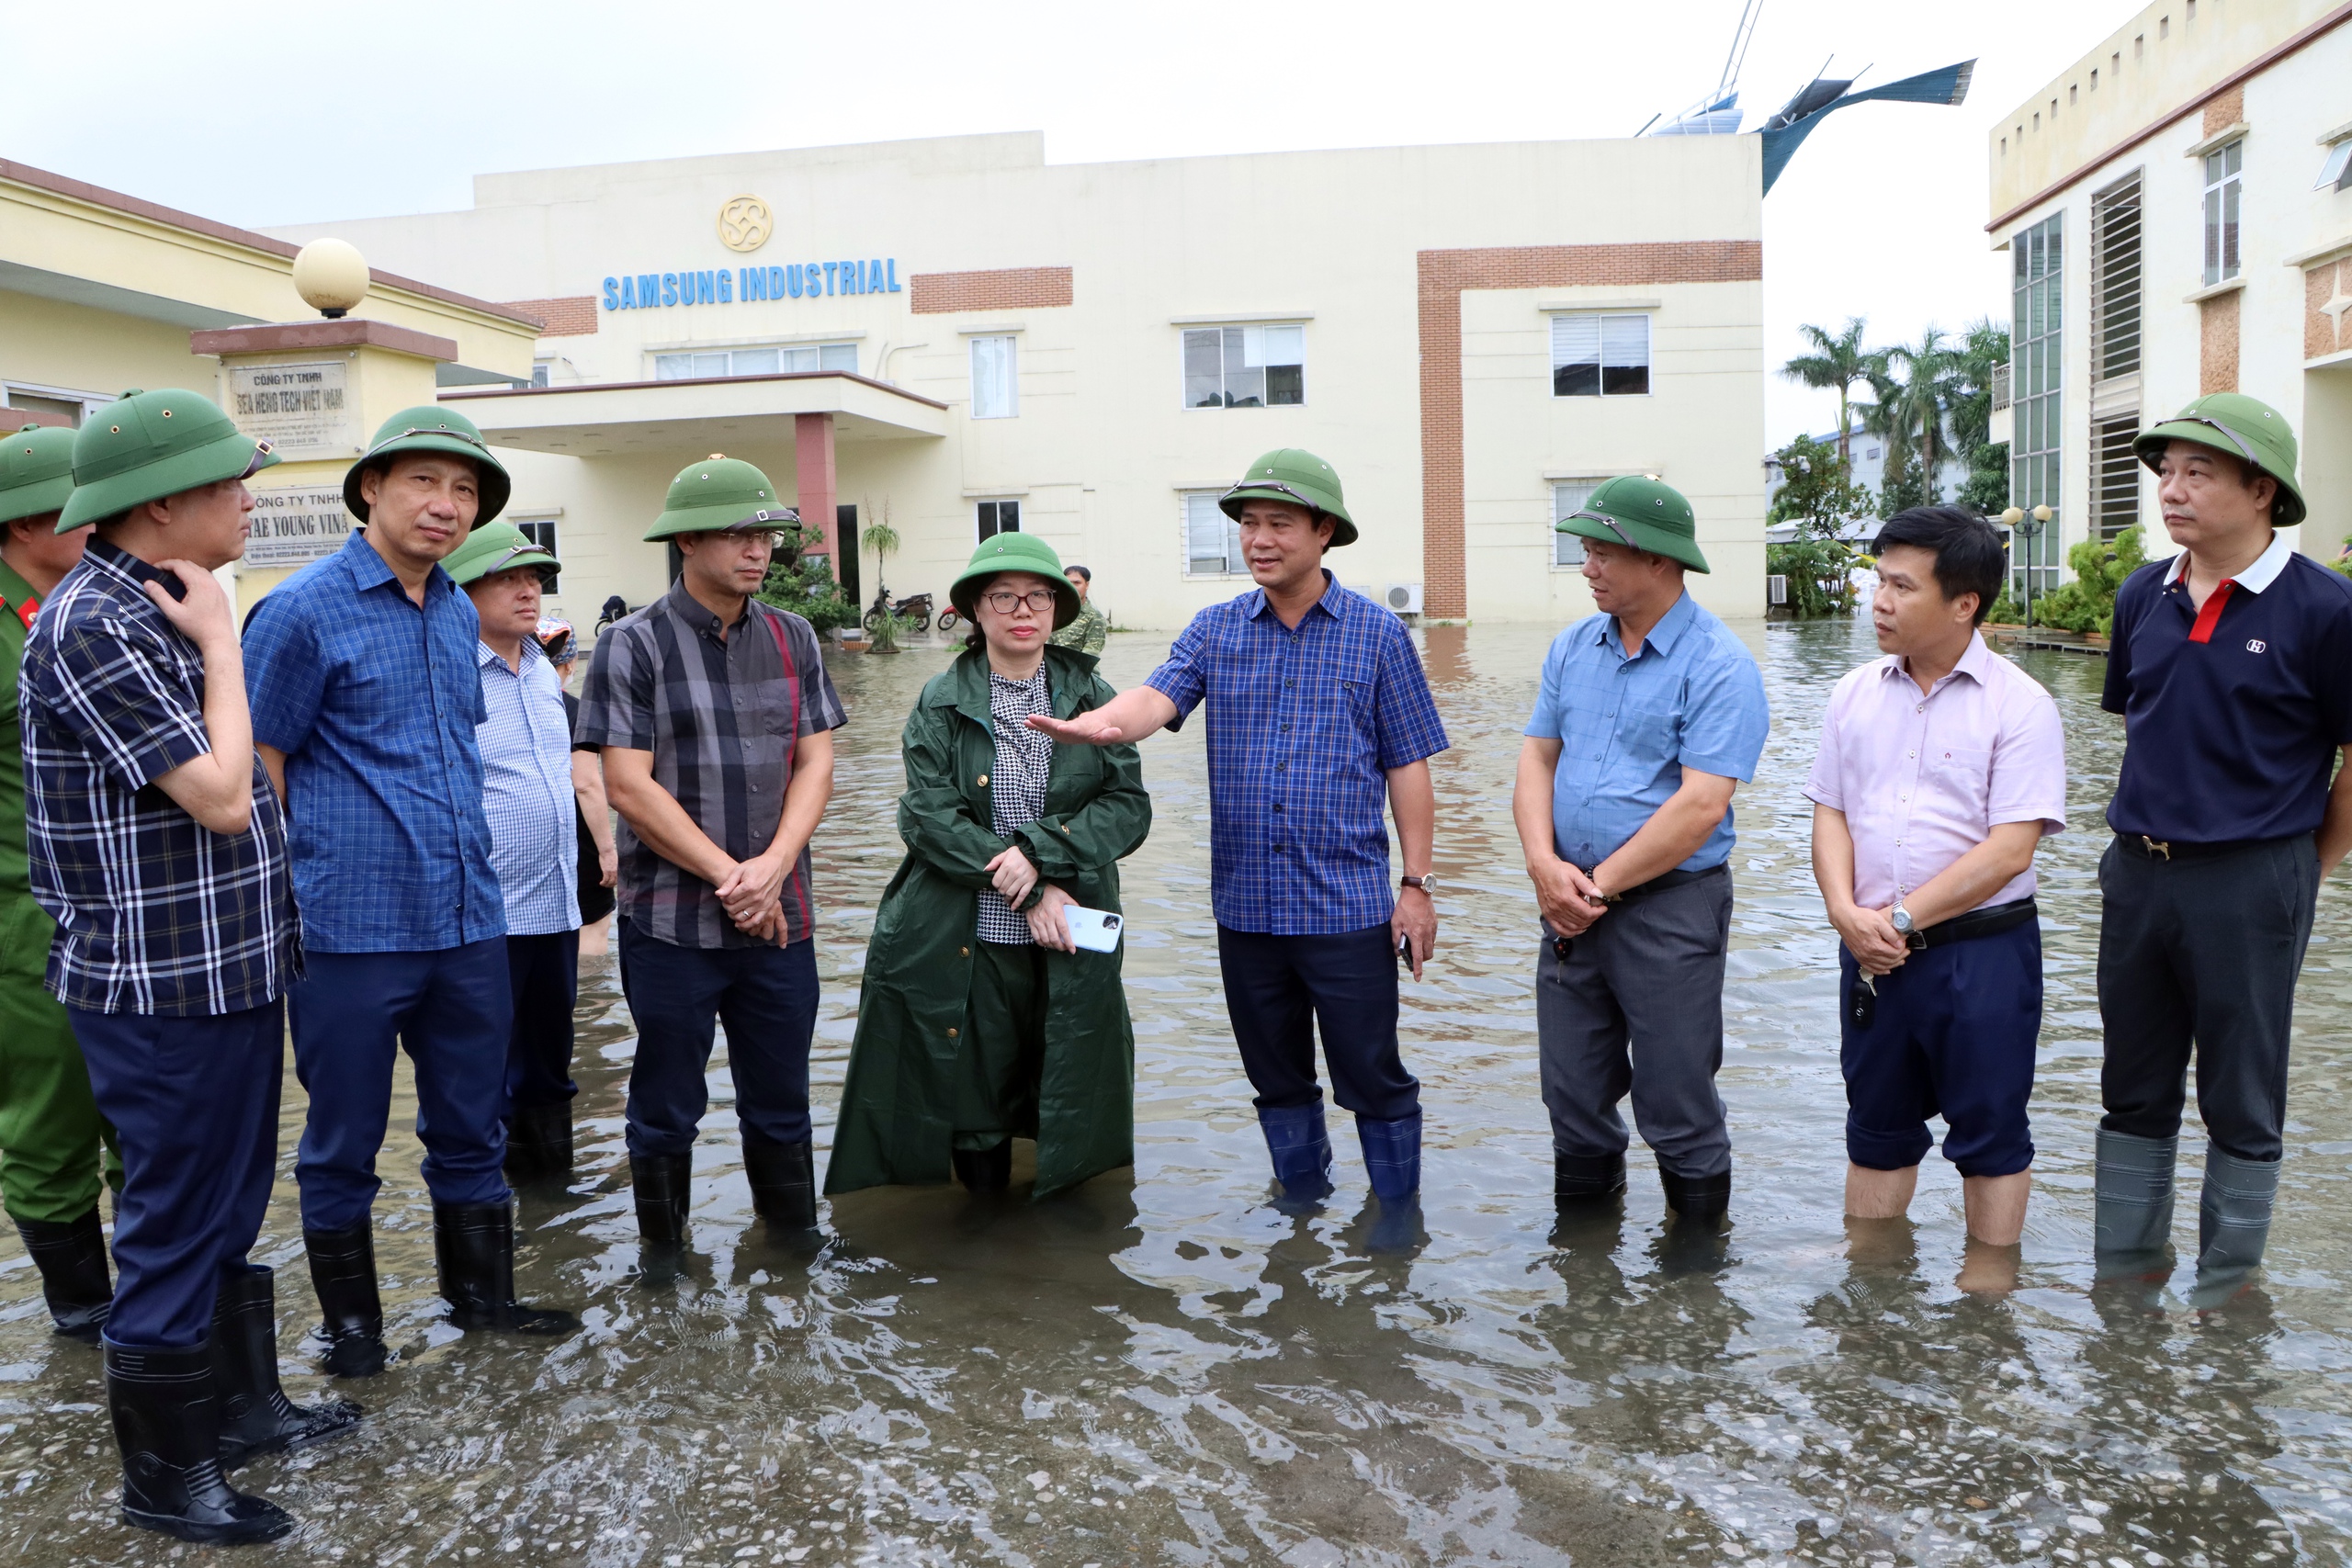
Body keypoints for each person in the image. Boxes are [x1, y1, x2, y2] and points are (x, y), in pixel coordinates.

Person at [22, 389, 356, 1542]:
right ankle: (166, 1479)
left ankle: (240, 1406)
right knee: (171, 1215)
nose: (249, 500)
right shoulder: (94, 623)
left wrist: (208, 630)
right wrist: (223, 638)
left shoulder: (152, 601)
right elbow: (220, 795)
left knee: (229, 1195)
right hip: (159, 981)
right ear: (162, 501)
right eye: (228, 484)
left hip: (229, 965)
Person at [243, 407, 575, 1378]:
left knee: (471, 1124)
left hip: (469, 920)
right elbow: (264, 757)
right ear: (371, 490)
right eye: (424, 482)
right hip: (350, 927)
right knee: (341, 1140)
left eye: (464, 490)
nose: (445, 505)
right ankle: (354, 1336)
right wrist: (290, 887)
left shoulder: (453, 612)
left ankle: (484, 1304)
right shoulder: (301, 610)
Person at [1027, 449, 1446, 1203]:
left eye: (1279, 523)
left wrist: (1414, 886)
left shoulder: (1378, 635)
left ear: (1324, 533)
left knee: (1373, 1075)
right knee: (1276, 1078)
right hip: (1248, 909)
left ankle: (1394, 1222)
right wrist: (1100, 726)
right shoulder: (1217, 630)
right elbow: (1154, 700)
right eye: (1249, 523)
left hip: (1347, 908)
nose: (1259, 539)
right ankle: (1301, 1205)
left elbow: (1408, 767)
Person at [2093, 393, 2352, 1287]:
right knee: (2131, 1087)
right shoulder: (2143, 595)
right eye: (2165, 472)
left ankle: (2225, 1296)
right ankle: (2123, 1282)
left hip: (2252, 879)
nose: (2171, 489)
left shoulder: (2325, 609)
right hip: (2138, 872)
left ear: (2260, 489)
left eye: (2197, 472)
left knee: (2241, 1097)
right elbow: (2145, 726)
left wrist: (2296, 869)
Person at [576, 456, 844, 1264]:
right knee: (664, 1107)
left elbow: (816, 762)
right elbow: (627, 783)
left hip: (779, 921)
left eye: (763, 532)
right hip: (669, 923)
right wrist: (736, 877)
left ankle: (792, 1256)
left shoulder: (793, 635)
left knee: (782, 1104)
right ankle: (664, 1267)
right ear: (687, 539)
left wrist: (774, 867)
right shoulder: (632, 644)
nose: (757, 548)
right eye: (736, 532)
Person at [828, 535, 1148, 1198]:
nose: (1022, 609)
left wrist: (1041, 852)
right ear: (978, 608)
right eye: (1003, 595)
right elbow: (926, 815)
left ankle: (1052, 1270)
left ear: (1059, 608)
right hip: (968, 935)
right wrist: (1027, 889)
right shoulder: (941, 699)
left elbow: (1127, 807)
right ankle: (977, 1246)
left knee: (1071, 1085)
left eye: (1038, 595)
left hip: (1070, 929)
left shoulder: (1094, 695)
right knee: (975, 1108)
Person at [1804, 508, 2064, 1282]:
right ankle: (1873, 1285)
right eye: (1878, 579)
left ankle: (1987, 1300)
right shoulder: (1854, 694)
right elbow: (1831, 812)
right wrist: (1844, 911)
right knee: (1876, 1126)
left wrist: (1902, 918)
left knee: (1990, 1134)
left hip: (1980, 954)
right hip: (1871, 953)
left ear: (1964, 603)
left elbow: (2009, 849)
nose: (1878, 599)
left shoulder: (2019, 705)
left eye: (1900, 585)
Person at [1510, 477, 1768, 1222]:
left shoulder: (1720, 664)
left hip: (1667, 907)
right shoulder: (1572, 647)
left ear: (1659, 561)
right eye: (1584, 551)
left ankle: (1691, 1286)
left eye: (1600, 552)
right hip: (1565, 903)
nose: (1586, 567)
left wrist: (1595, 888)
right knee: (1571, 1092)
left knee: (1676, 1096)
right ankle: (1586, 1275)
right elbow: (1536, 758)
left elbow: (1701, 805)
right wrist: (1542, 865)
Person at [0, 423, 121, 1343]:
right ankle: (84, 1320)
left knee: (141, 1110)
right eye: (81, 510)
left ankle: (158, 1315)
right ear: (23, 525)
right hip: (19, 919)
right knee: (52, 1114)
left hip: (114, 908)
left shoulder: (99, 602)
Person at [442, 525, 582, 1180]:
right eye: (507, 578)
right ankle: (491, 1212)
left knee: (551, 1068)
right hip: (488, 914)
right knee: (485, 1074)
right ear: (463, 590)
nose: (529, 590)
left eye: (535, 578)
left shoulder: (544, 672)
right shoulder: (447, 671)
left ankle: (556, 1210)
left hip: (556, 905)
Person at [541, 616, 618, 957]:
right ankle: (589, 1007)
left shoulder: (498, 704)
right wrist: (607, 850)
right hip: (576, 840)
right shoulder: (575, 711)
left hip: (519, 842)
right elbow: (586, 785)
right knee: (591, 932)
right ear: (570, 664)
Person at [1048, 564, 1109, 655]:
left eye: (1077, 583)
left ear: (1087, 584)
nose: (1072, 587)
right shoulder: (1056, 612)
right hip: (1053, 666)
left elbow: (1090, 654)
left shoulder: (1095, 617)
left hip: (1079, 668)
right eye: (1069, 583)